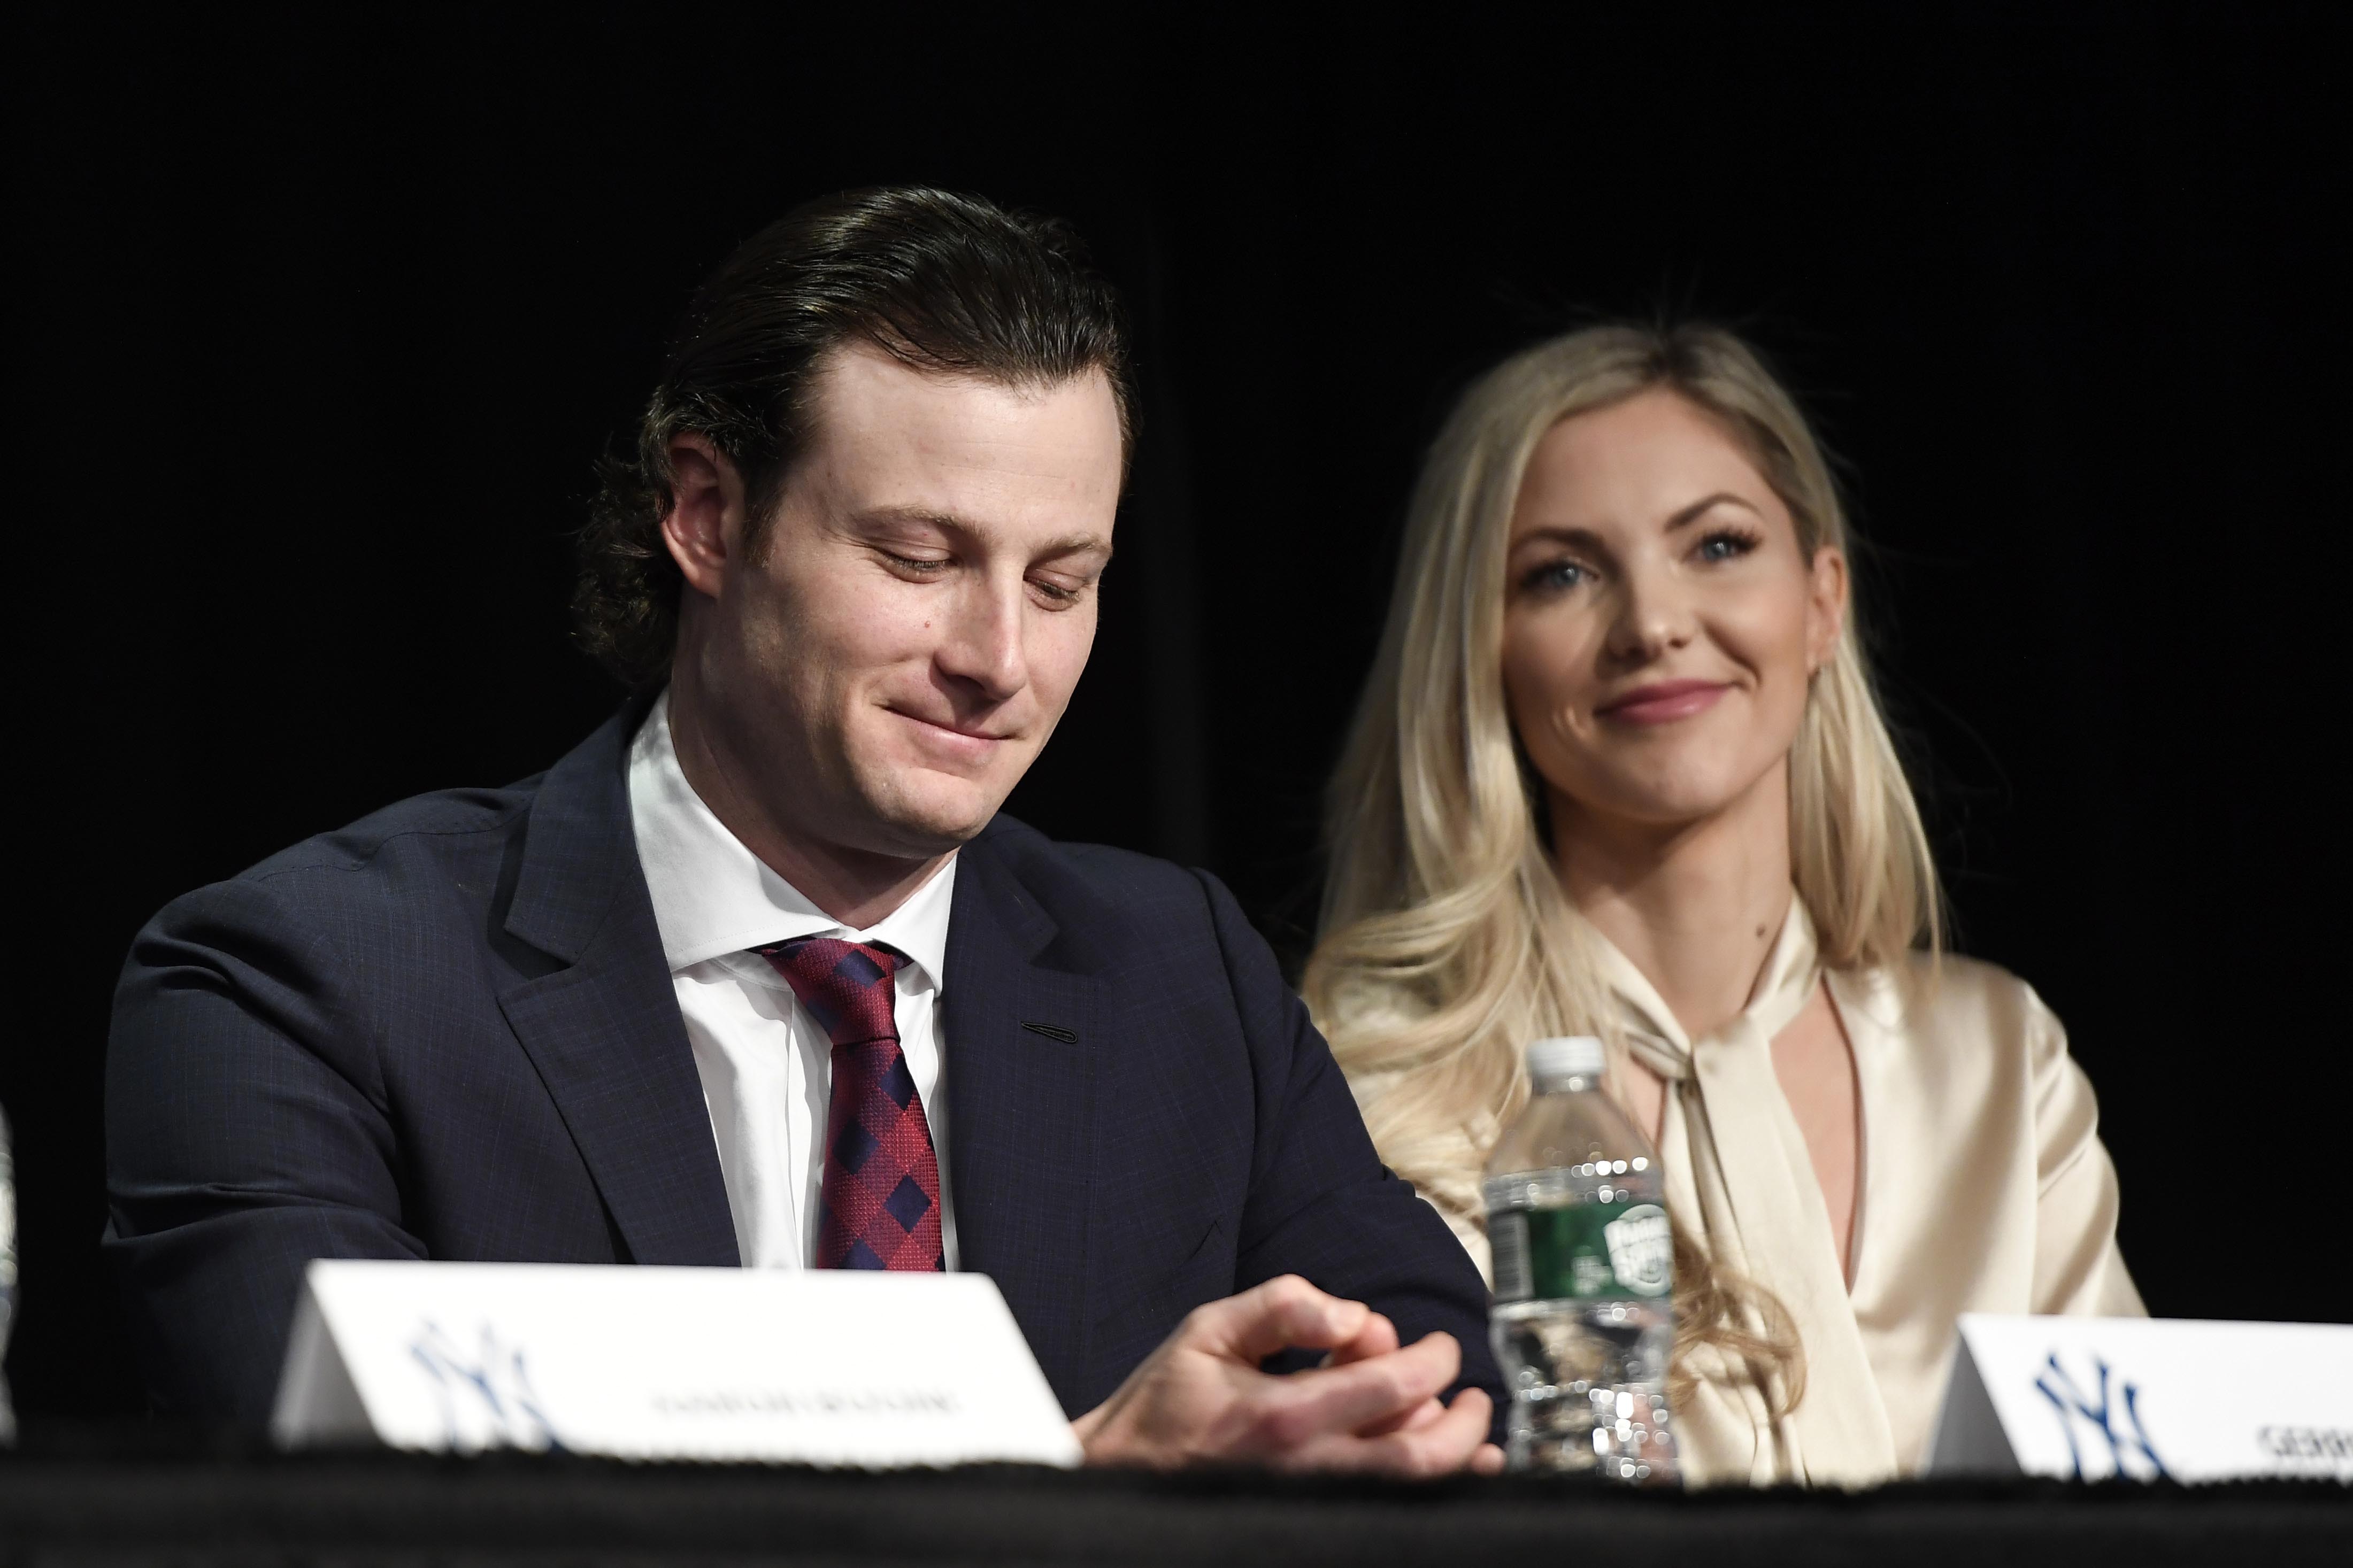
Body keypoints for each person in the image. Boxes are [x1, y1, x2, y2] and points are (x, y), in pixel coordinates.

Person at [106, 187, 1503, 1475]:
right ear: (707, 515)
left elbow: (1447, 1393)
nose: (999, 656)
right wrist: (1076, 1489)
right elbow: (344, 1518)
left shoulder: (1180, 976)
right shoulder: (305, 979)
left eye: (1063, 580)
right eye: (918, 557)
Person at [1305, 323, 2143, 1486]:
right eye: (1562, 572)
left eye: (1715, 545)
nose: (1651, 624)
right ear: (1482, 649)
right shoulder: (1364, 1097)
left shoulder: (1997, 1062)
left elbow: (2146, 1508)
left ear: (1821, 601)